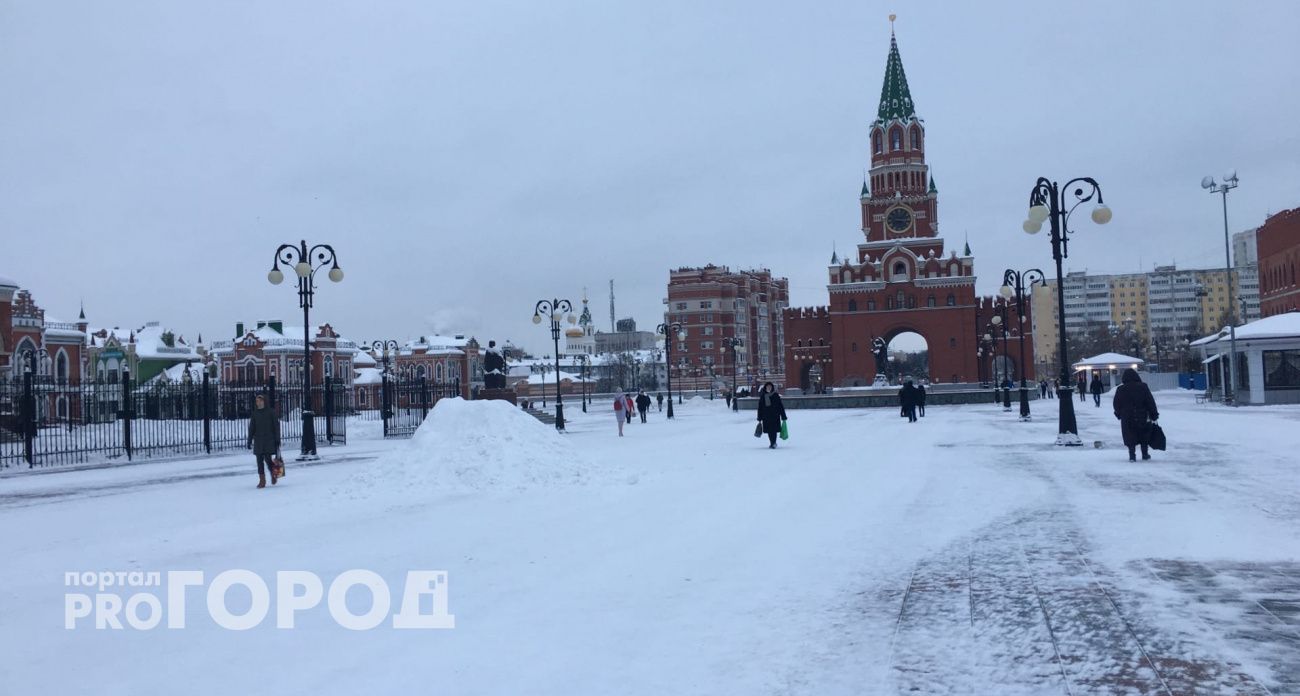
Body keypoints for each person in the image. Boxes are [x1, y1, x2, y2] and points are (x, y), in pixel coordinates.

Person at [1112, 368, 1159, 461]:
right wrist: (1154, 414)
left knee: (1130, 435)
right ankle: (1145, 454)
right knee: (1144, 434)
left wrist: (1118, 414)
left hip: (1127, 417)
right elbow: (1150, 401)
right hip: (1142, 415)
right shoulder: (1143, 387)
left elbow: (1116, 403)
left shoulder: (1121, 389)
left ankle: (1132, 456)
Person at [247, 394, 281, 489]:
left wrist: (277, 439)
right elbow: (252, 428)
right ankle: (262, 480)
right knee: (259, 461)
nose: (258, 402)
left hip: (269, 440)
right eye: (257, 401)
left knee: (268, 459)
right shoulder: (255, 413)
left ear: (264, 401)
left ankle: (273, 474)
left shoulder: (271, 412)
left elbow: (276, 427)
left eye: (259, 400)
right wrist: (249, 440)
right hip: (258, 441)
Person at [755, 382, 787, 448]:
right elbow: (760, 408)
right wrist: (759, 417)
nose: (769, 388)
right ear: (765, 388)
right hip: (766, 416)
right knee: (769, 431)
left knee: (774, 430)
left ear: (772, 387)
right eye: (767, 387)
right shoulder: (763, 396)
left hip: (775, 416)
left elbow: (780, 406)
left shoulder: (775, 395)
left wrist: (783, 416)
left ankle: (773, 443)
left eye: (770, 387)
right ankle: (772, 442)